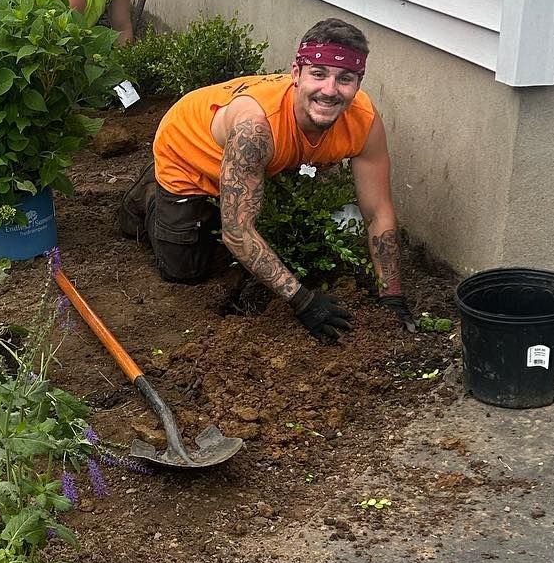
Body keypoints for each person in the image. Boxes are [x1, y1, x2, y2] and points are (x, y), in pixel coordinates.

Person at [118, 18, 411, 343]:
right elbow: (237, 231)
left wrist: (392, 295)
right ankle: (150, 194)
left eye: (344, 78)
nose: (330, 90)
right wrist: (304, 301)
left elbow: (378, 211)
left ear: (359, 82)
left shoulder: (364, 121)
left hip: (252, 161)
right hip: (187, 150)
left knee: (250, 212)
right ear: (296, 74)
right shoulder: (255, 130)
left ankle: (212, 201)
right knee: (184, 271)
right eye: (318, 74)